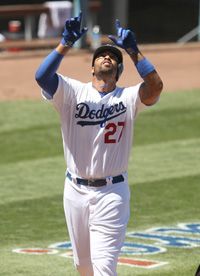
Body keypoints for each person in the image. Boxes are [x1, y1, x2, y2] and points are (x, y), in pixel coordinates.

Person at [35, 11, 163, 276]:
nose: (107, 57)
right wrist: (65, 44)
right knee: (84, 267)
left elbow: (155, 87)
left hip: (111, 194)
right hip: (74, 191)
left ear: (118, 70)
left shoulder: (128, 98)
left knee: (104, 269)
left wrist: (133, 51)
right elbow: (42, 76)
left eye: (113, 58)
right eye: (101, 56)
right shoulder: (71, 92)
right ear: (92, 67)